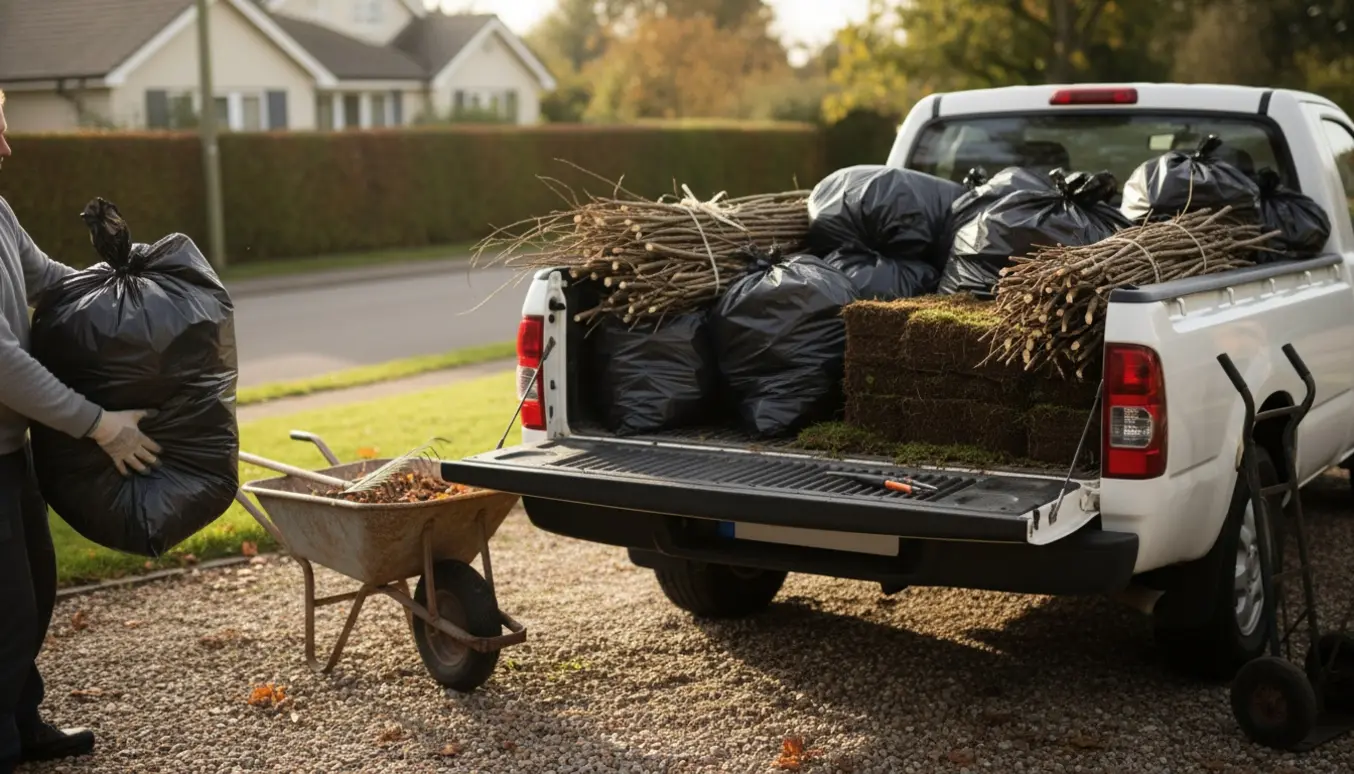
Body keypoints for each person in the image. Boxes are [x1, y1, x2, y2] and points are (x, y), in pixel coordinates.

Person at [0, 90, 163, 773]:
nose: (7, 148)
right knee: (4, 607)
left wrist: (130, 284)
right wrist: (99, 425)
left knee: (33, 588)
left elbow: (49, 281)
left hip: (10, 451)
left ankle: (22, 719)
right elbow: (1, 359)